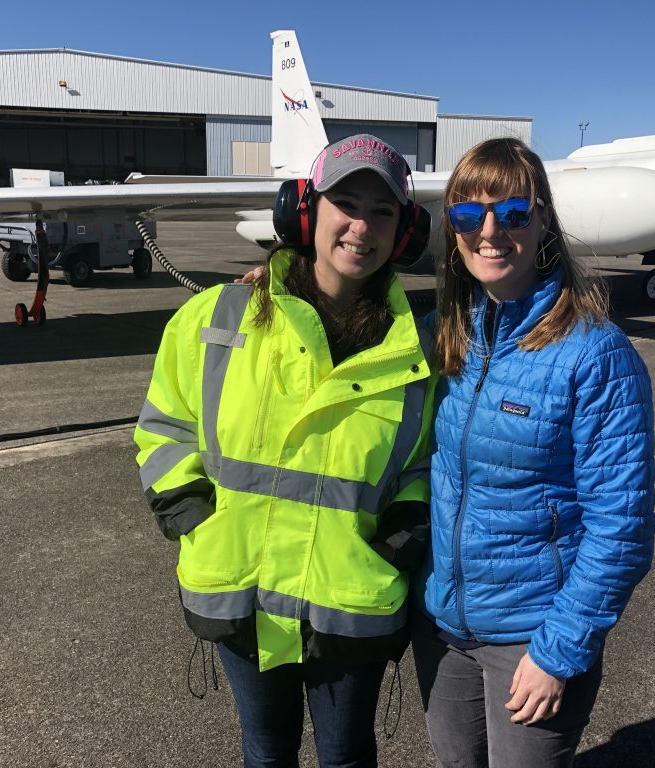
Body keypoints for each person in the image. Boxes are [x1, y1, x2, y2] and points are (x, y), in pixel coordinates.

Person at [134, 134, 437, 768]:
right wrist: (189, 509)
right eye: (345, 204)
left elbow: (421, 459)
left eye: (382, 212)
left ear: (404, 231)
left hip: (348, 597)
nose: (361, 226)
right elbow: (166, 421)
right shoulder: (216, 318)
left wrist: (408, 527)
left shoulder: (418, 354)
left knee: (346, 755)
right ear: (304, 214)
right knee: (266, 751)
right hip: (239, 584)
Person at [412, 137, 655, 768]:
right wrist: (281, 277)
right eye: (468, 216)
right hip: (444, 626)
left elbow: (621, 528)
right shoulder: (450, 334)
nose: (489, 231)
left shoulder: (594, 354)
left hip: (531, 635)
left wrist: (559, 651)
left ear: (543, 219)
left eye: (512, 213)